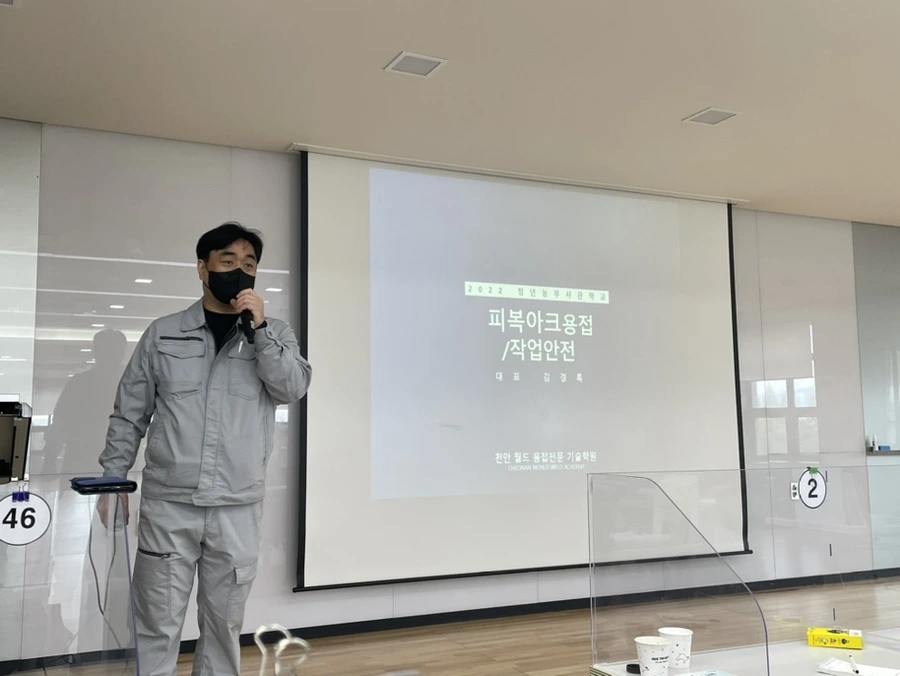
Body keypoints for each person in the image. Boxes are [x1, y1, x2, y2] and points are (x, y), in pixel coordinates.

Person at [97, 222, 312, 676]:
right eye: (228, 261)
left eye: (249, 264)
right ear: (202, 268)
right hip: (170, 504)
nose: (240, 271)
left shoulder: (273, 335)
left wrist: (260, 331)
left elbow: (292, 387)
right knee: (157, 622)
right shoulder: (164, 334)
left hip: (237, 505)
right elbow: (129, 412)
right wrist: (113, 479)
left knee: (223, 625)